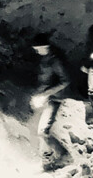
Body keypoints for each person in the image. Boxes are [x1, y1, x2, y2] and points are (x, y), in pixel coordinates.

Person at [30, 32, 71, 170]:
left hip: (53, 99)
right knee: (39, 130)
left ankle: (65, 156)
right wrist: (38, 94)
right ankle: (47, 161)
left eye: (37, 48)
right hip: (44, 98)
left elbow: (65, 81)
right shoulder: (44, 59)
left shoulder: (54, 61)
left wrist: (46, 94)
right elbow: (44, 80)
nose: (35, 51)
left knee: (43, 131)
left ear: (44, 46)